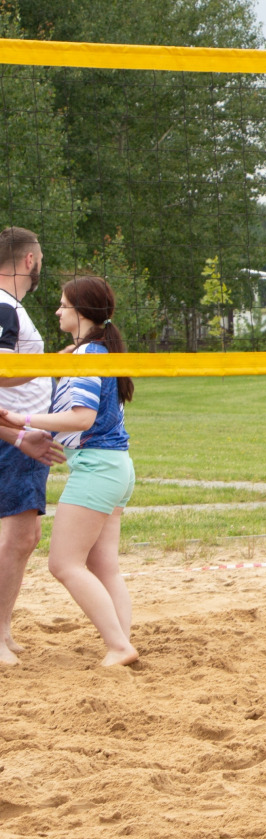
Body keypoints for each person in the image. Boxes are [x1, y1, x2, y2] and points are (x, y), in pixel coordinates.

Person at [0, 276, 136, 667]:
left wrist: (21, 419)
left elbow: (81, 417)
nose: (57, 311)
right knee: (103, 563)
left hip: (97, 468)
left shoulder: (89, 355)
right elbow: (80, 418)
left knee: (63, 563)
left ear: (81, 311)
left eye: (63, 305)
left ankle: (120, 645)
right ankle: (121, 640)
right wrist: (28, 431)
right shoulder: (96, 351)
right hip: (116, 466)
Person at [0, 228, 68, 667]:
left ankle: (3, 629)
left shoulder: (11, 308)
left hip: (15, 434)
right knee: (21, 537)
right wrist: (52, 365)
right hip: (12, 437)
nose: (40, 266)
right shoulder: (5, 308)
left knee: (21, 536)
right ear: (29, 261)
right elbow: (2, 372)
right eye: (40, 258)